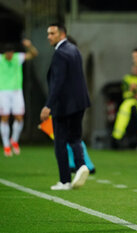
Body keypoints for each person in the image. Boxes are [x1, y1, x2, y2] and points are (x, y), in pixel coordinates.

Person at [40, 23, 90, 190]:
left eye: (52, 33)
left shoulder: (60, 53)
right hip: (80, 102)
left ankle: (64, 181)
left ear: (62, 34)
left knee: (60, 142)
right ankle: (81, 165)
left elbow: (58, 83)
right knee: (75, 138)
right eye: (48, 33)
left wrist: (48, 105)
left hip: (64, 105)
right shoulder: (74, 49)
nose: (49, 36)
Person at [0, 39, 38, 157]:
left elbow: (34, 54)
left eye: (11, 53)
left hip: (17, 91)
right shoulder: (0, 59)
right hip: (3, 91)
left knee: (19, 117)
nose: (9, 55)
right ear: (4, 53)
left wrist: (29, 46)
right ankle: (6, 144)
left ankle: (14, 140)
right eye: (7, 53)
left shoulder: (18, 57)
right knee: (5, 117)